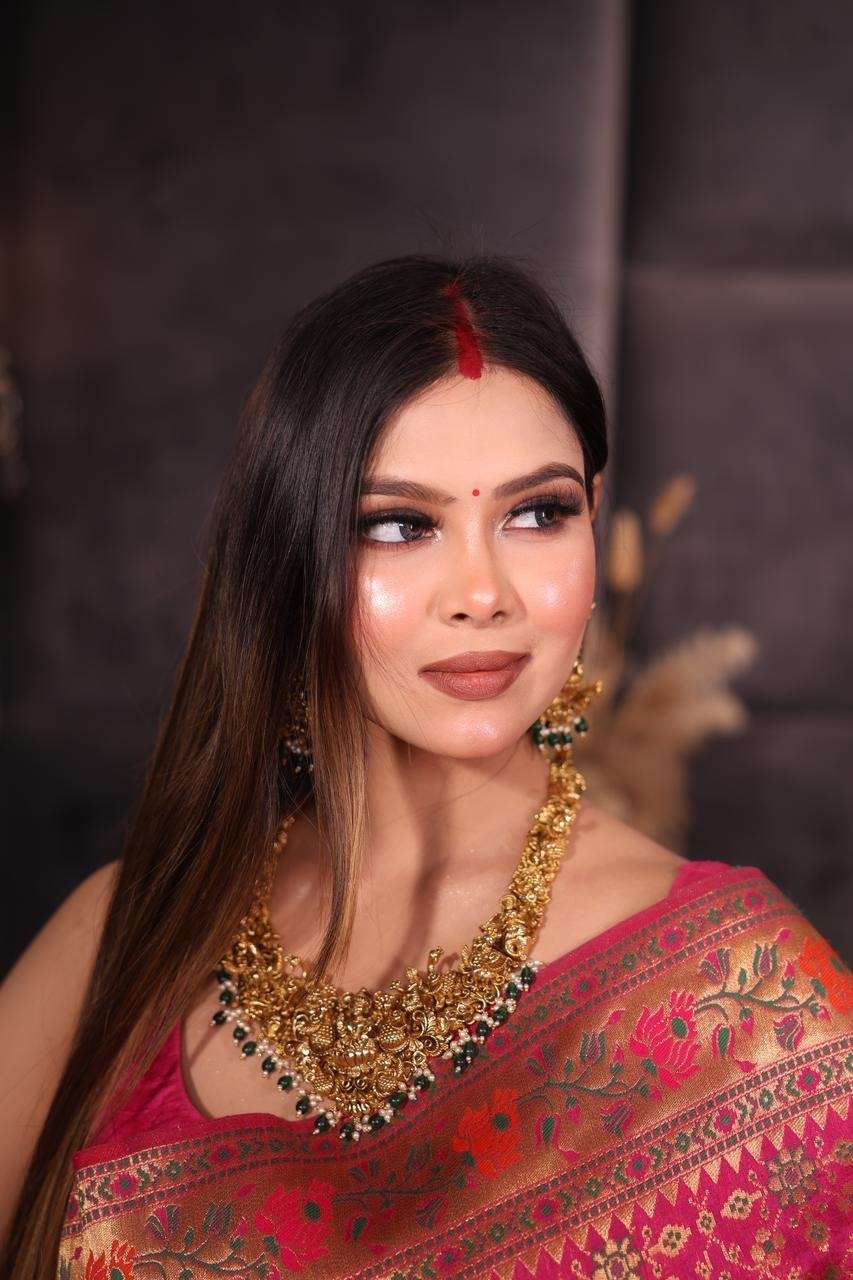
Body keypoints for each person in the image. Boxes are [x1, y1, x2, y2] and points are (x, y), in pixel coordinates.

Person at [1, 254, 850, 1278]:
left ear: (593, 513)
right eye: (400, 525)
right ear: (290, 557)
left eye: (536, 514)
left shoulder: (743, 1000)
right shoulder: (127, 932)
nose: (481, 593)